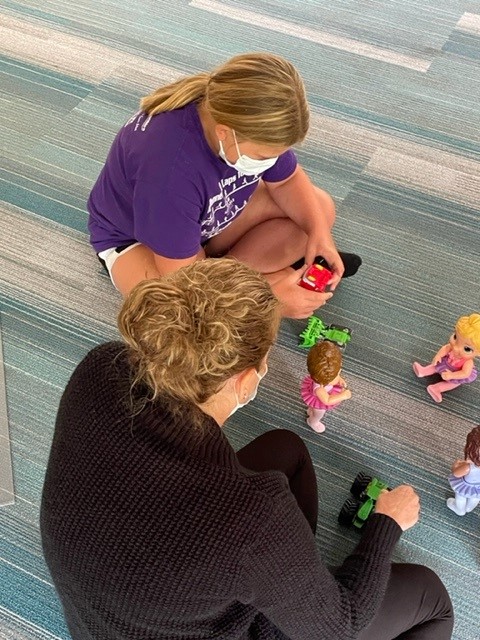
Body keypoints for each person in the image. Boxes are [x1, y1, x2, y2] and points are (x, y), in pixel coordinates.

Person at [40, 259, 453, 640]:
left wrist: (267, 299)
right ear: (244, 379)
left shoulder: (103, 366)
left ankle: (292, 583)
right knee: (432, 599)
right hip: (192, 626)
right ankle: (293, 593)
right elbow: (339, 627)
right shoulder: (252, 518)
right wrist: (386, 524)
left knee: (287, 449)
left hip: (106, 608)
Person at [87, 52, 362, 319]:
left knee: (319, 211)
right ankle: (261, 280)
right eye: (264, 157)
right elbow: (186, 281)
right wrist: (269, 301)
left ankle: (238, 275)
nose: (270, 162)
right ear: (224, 132)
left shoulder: (234, 117)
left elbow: (288, 180)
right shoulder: (169, 172)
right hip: (138, 243)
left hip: (202, 223)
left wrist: (320, 236)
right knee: (180, 315)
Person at [413, 313, 480, 403]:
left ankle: (436, 388)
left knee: (453, 383)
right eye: (455, 337)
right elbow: (445, 348)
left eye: (467, 349)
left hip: (454, 372)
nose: (456, 347)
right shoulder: (451, 347)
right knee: (435, 365)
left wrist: (452, 375)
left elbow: (465, 373)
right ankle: (423, 371)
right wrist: (438, 356)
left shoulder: (468, 363)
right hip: (444, 363)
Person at [301, 340, 351, 433]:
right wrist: (343, 396)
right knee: (318, 414)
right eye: (336, 374)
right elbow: (327, 400)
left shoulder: (321, 376)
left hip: (322, 393)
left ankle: (310, 411)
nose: (339, 374)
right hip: (319, 403)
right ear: (326, 380)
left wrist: (339, 379)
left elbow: (334, 377)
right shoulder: (319, 389)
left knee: (312, 409)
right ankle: (312, 422)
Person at [447, 425, 480, 516]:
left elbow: (456, 473)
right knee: (475, 498)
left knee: (461, 496)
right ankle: (469, 507)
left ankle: (460, 509)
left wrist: (456, 465)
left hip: (466, 485)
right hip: (478, 487)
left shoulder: (468, 467)